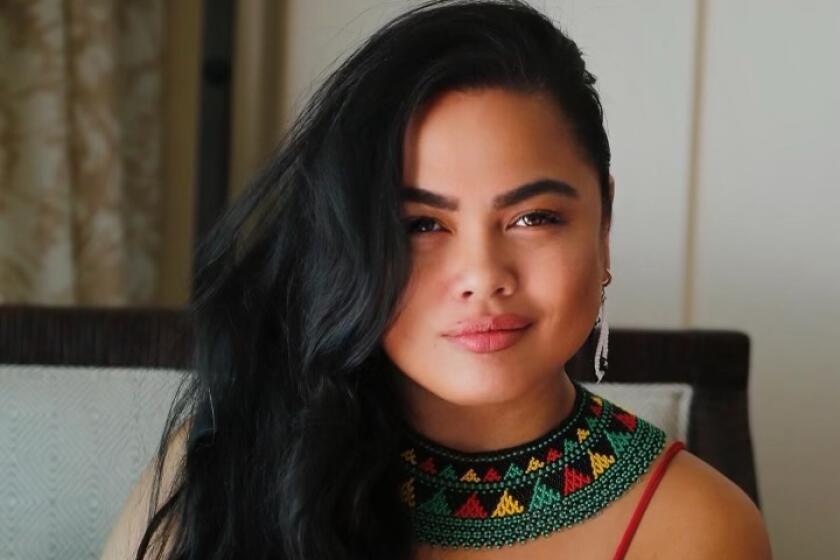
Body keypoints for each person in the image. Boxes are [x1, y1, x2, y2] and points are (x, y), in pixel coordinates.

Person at [101, 1, 772, 558]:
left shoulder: (700, 529)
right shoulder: (225, 465)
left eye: (533, 217)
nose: (482, 277)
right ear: (350, 242)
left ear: (603, 227)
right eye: (421, 225)